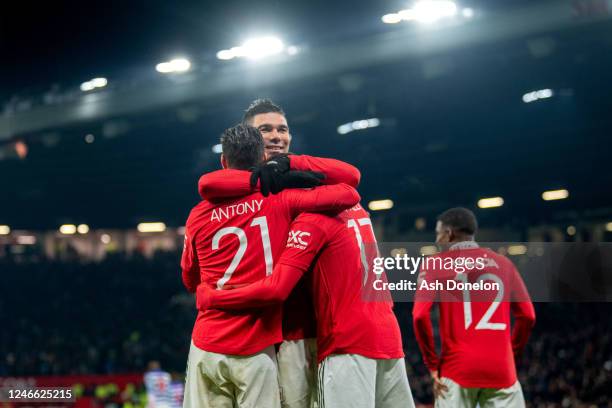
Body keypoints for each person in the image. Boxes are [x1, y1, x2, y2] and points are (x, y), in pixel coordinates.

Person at [181, 124, 360, 408]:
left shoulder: (197, 214)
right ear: (263, 158)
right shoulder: (280, 199)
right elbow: (349, 192)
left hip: (206, 344)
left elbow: (190, 280)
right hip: (256, 350)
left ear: (223, 161)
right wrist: (284, 175)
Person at [197, 207, 416, 408]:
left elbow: (276, 289)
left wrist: (214, 298)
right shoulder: (358, 210)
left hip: (346, 341)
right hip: (387, 334)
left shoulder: (313, 219)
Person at [412, 207, 536, 408]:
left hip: (457, 369)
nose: (436, 241)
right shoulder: (504, 264)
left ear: (449, 233)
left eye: (438, 234)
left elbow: (419, 315)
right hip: (502, 369)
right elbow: (528, 316)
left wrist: (432, 365)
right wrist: (510, 353)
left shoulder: (435, 264)